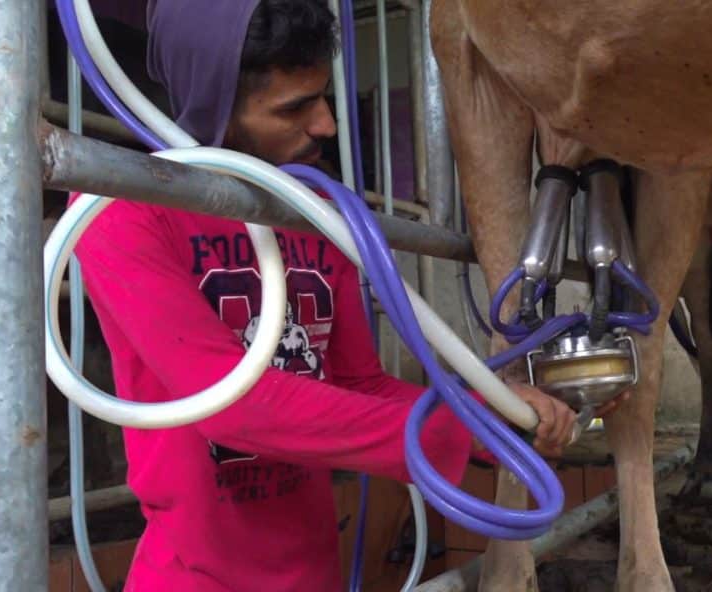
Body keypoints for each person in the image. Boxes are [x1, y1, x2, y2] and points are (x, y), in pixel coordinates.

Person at [73, 1, 624, 589]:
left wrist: (500, 410)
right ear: (215, 104)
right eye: (294, 108)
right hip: (193, 577)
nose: (326, 126)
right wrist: (470, 429)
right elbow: (230, 403)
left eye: (323, 97)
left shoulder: (318, 215)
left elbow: (361, 384)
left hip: (315, 570)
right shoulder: (122, 214)